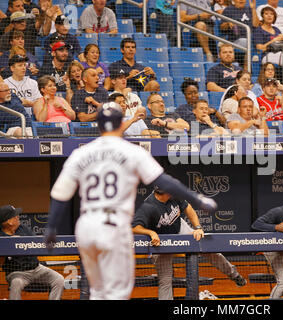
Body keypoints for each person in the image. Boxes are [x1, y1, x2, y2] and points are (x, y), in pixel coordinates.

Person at [44, 101, 218, 300]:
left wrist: (51, 228)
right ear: (120, 123)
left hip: (86, 227)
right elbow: (165, 182)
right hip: (113, 226)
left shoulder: (80, 153)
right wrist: (197, 198)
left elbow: (60, 196)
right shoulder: (132, 151)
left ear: (99, 124)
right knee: (117, 293)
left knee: (97, 290)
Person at [132, 186, 246, 300]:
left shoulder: (174, 196)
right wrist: (150, 232)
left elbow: (188, 208)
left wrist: (197, 227)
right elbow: (134, 227)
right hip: (161, 240)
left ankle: (234, 275)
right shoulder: (149, 206)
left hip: (180, 228)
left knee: (207, 247)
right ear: (164, 193)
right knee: (165, 280)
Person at [0, 205, 65, 300]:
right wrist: (9, 245)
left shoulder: (23, 229)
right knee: (16, 283)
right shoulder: (1, 236)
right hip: (17, 273)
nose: (18, 217)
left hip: (36, 269)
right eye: (15, 216)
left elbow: (36, 244)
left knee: (59, 279)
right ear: (9, 222)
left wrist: (21, 243)